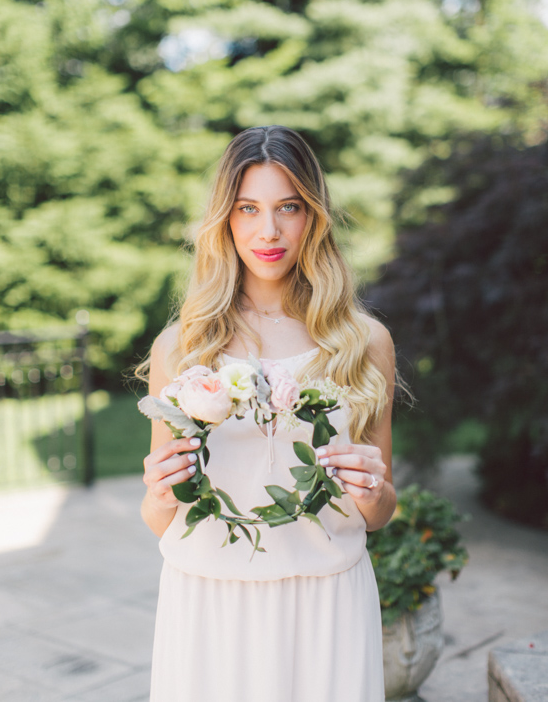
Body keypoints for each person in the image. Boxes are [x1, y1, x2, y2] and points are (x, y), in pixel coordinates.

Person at [140, 125, 396, 702]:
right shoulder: (182, 348)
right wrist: (158, 493)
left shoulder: (363, 343)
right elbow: (161, 518)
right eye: (248, 208)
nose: (269, 230)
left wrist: (371, 489)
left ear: (314, 216)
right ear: (225, 220)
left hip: (327, 602)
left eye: (289, 207)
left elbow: (379, 511)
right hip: (208, 602)